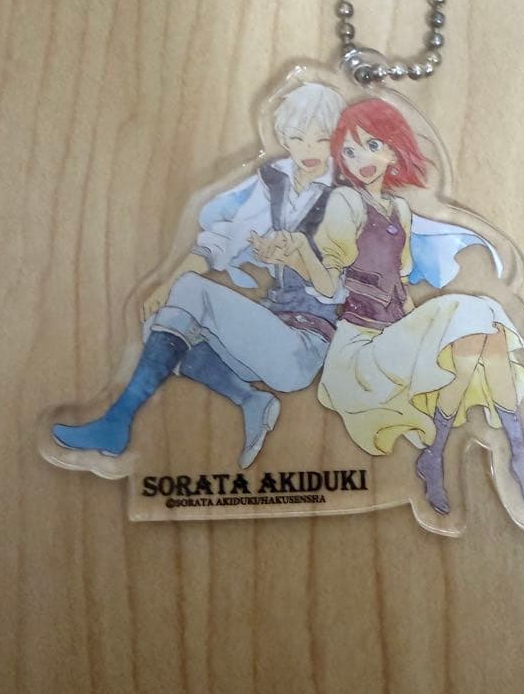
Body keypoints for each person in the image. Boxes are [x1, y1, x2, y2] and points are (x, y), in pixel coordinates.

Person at [257, 98, 524, 514]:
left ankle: (491, 452)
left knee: (484, 333)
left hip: (396, 337)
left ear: (393, 150)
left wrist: (429, 340)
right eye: (350, 152)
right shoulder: (346, 203)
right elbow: (330, 286)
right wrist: (301, 251)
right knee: (478, 314)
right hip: (360, 350)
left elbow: (403, 286)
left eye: (372, 146)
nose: (361, 160)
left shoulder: (400, 210)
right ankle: (502, 453)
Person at [51, 82, 347, 468]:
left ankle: (117, 422)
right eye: (297, 137)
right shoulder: (276, 181)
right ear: (283, 137)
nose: (309, 150)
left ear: (337, 138)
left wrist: (298, 260)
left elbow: (341, 284)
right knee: (161, 320)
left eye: (321, 138)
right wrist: (166, 285)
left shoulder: (347, 197)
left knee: (187, 292)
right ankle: (249, 399)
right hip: (265, 337)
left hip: (304, 348)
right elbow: (222, 240)